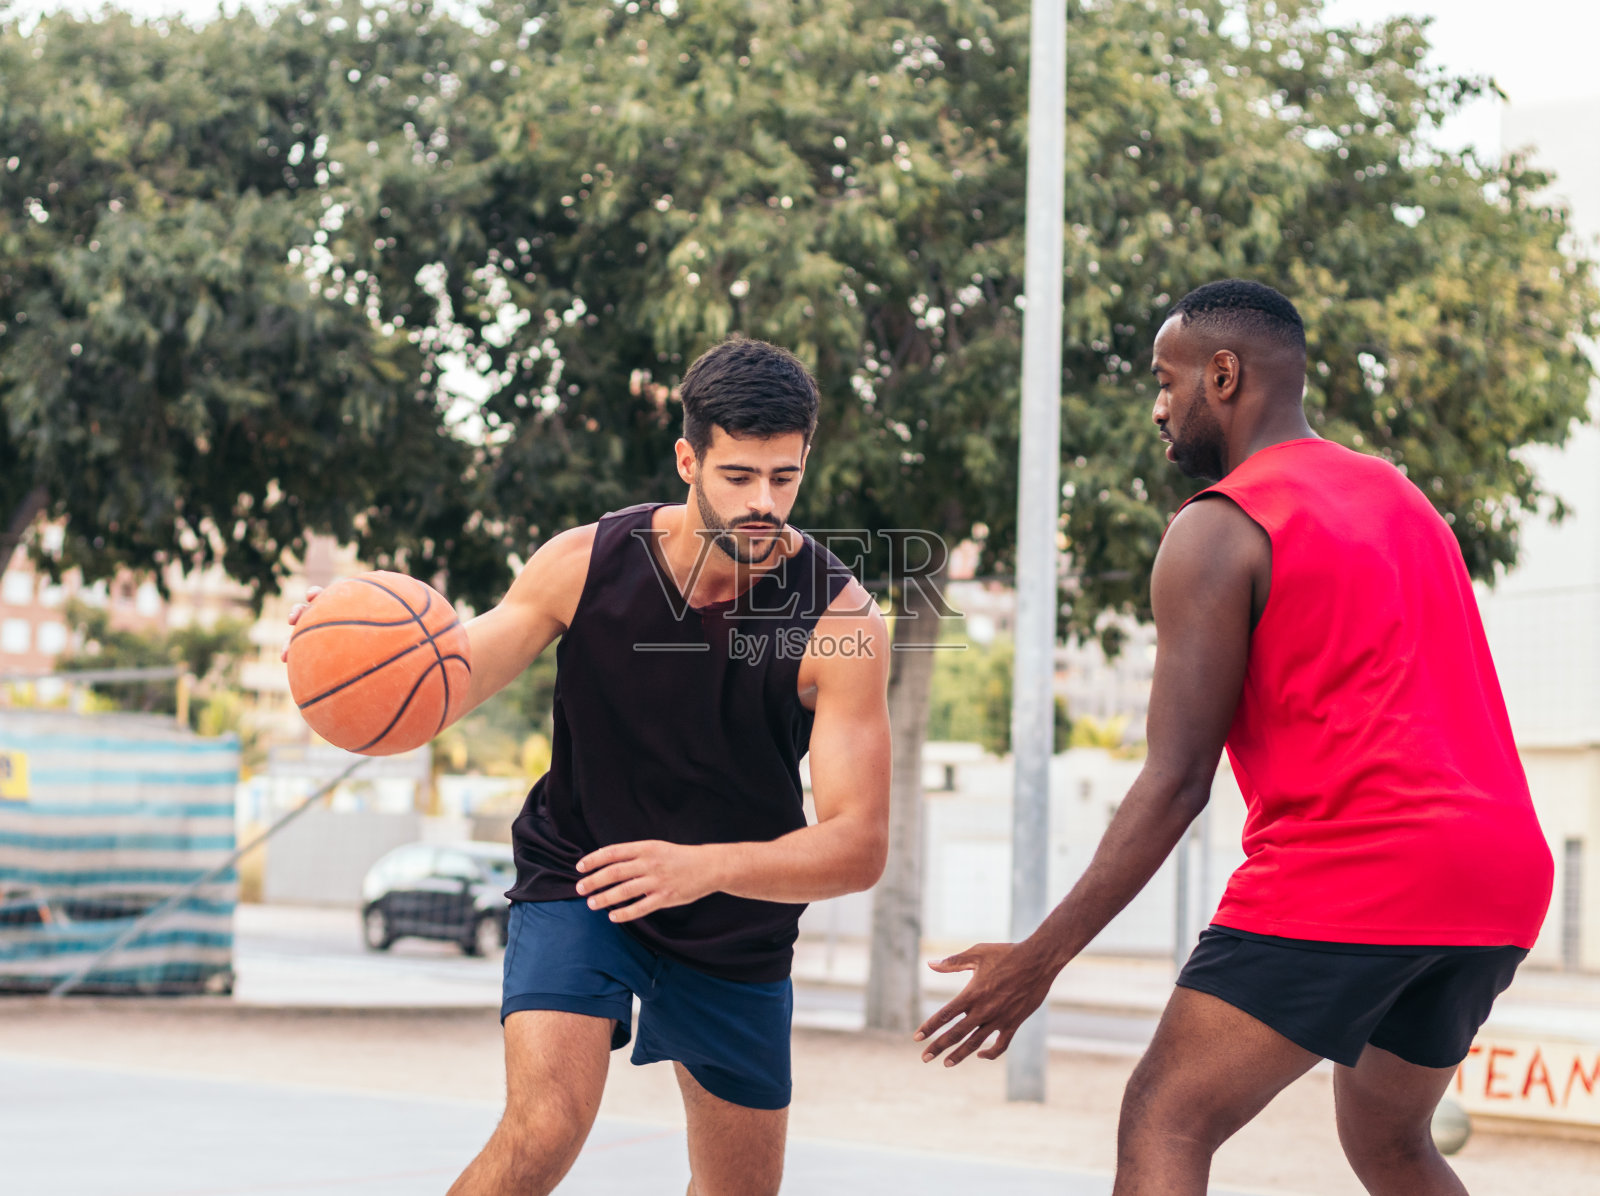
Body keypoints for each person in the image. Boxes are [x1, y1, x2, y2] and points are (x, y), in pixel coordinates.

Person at [914, 280, 1553, 1195]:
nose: (1158, 407)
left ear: (1223, 375)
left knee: (1166, 1116)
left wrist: (1039, 959)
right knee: (1390, 1141)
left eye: (1165, 380)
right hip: (1498, 876)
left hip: (1356, 865)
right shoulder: (1401, 497)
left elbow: (1176, 781)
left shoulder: (1219, 527)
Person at [289, 337, 892, 1196]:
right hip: (584, 873)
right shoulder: (584, 563)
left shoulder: (842, 621)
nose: (764, 502)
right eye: (738, 476)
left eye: (784, 478)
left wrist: (700, 870)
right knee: (544, 1128)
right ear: (688, 460)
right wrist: (361, 651)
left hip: (734, 915)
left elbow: (858, 846)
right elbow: (449, 679)